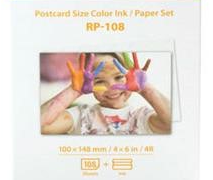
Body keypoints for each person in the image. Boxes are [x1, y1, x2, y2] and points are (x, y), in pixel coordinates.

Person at [40, 52, 171, 135]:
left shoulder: (141, 117)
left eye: (119, 77)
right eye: (99, 81)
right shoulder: (81, 115)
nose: (111, 87)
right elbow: (39, 125)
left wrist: (146, 89)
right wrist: (74, 91)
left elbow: (174, 125)